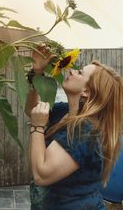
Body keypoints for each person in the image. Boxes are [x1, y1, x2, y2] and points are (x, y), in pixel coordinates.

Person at [25, 44, 123, 210]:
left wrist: (37, 127)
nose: (71, 70)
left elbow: (41, 175)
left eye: (80, 72)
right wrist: (37, 73)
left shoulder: (85, 130)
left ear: (86, 91)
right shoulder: (66, 112)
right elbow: (31, 110)